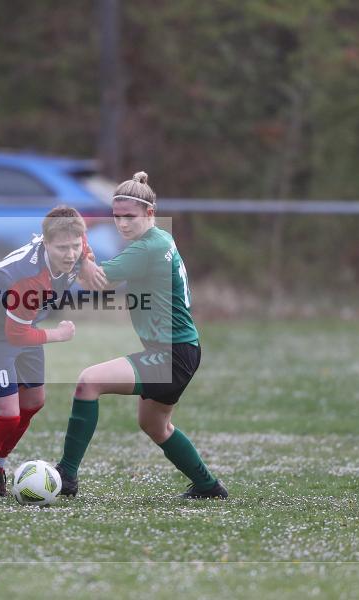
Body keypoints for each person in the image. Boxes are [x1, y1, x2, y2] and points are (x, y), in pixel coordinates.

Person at [54, 172, 228, 500]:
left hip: (171, 354)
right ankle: (208, 486)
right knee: (155, 425)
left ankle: (67, 475)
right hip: (183, 350)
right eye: (116, 216)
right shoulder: (157, 240)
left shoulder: (149, 247)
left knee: (88, 382)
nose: (121, 223)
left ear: (150, 214)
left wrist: (77, 255)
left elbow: (99, 281)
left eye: (129, 216)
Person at [0, 206, 105, 499]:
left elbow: (81, 247)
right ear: (45, 243)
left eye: (75, 246)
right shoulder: (28, 280)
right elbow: (15, 335)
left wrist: (88, 262)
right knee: (6, 415)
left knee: (33, 401)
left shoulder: (76, 246)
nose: (70, 254)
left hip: (22, 322)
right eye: (62, 248)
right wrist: (58, 334)